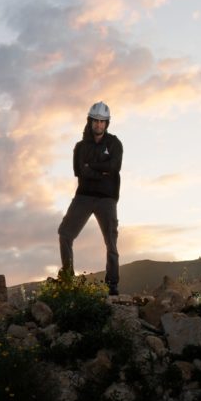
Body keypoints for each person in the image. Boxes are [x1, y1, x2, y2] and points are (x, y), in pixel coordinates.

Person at [58, 101, 123, 295]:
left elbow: (114, 168)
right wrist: (101, 170)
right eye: (95, 120)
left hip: (107, 199)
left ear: (107, 123)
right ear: (90, 121)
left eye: (103, 121)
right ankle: (68, 279)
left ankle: (112, 284)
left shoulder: (114, 143)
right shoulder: (80, 147)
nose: (99, 125)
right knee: (65, 234)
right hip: (83, 197)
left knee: (111, 242)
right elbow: (80, 171)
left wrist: (91, 167)